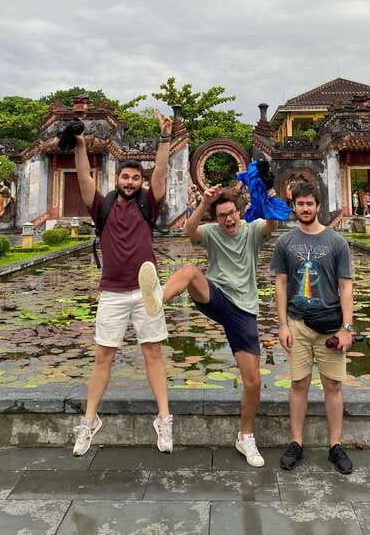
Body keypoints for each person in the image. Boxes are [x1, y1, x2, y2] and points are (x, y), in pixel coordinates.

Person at [138, 185, 277, 467]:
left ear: (239, 212)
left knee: (253, 381)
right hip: (215, 297)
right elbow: (188, 231)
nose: (228, 219)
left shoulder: (252, 230)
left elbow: (272, 225)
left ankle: (245, 436)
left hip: (244, 310)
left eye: (232, 213)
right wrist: (203, 203)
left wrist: (269, 198)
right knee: (189, 271)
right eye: (222, 214)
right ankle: (158, 299)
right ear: (216, 217)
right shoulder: (212, 232)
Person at [71, 111, 174, 457]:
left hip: (146, 291)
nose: (130, 182)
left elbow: (160, 172)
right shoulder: (101, 206)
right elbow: (84, 176)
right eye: (125, 177)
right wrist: (80, 144)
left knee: (153, 353)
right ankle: (88, 422)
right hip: (112, 292)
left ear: (141, 183)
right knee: (103, 357)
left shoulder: (149, 203)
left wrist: (164, 139)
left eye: (135, 178)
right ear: (117, 179)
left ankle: (164, 418)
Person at [272, 180, 355, 475]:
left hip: (331, 325)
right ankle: (296, 442)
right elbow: (280, 285)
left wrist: (347, 327)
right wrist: (282, 325)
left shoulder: (336, 242)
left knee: (333, 385)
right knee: (298, 384)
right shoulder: (285, 243)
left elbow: (345, 287)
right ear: (293, 206)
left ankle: (335, 444)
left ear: (318, 206)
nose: (305, 208)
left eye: (310, 204)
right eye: (300, 204)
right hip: (298, 323)